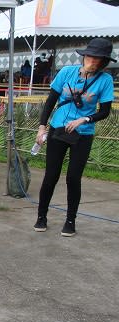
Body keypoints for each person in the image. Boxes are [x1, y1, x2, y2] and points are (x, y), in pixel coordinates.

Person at [33, 38, 115, 237]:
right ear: (84, 56)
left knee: (73, 178)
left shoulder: (105, 80)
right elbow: (51, 101)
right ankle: (41, 216)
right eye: (91, 56)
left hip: (83, 134)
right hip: (58, 129)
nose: (93, 61)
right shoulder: (66, 73)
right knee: (51, 175)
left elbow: (104, 111)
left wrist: (84, 120)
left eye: (98, 59)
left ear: (104, 62)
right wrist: (41, 128)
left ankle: (70, 220)